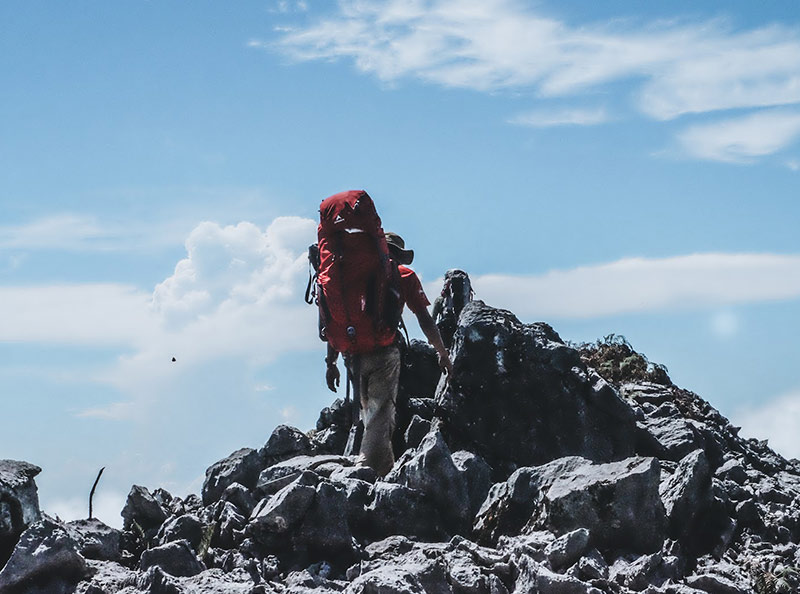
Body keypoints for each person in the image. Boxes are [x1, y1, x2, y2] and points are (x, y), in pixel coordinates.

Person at [324, 231, 453, 476]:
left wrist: (330, 362)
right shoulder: (404, 275)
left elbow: (337, 318)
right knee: (380, 412)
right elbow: (424, 318)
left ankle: (375, 466)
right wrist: (443, 353)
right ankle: (370, 472)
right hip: (384, 352)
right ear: (398, 255)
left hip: (352, 355)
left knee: (368, 411)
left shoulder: (353, 275)